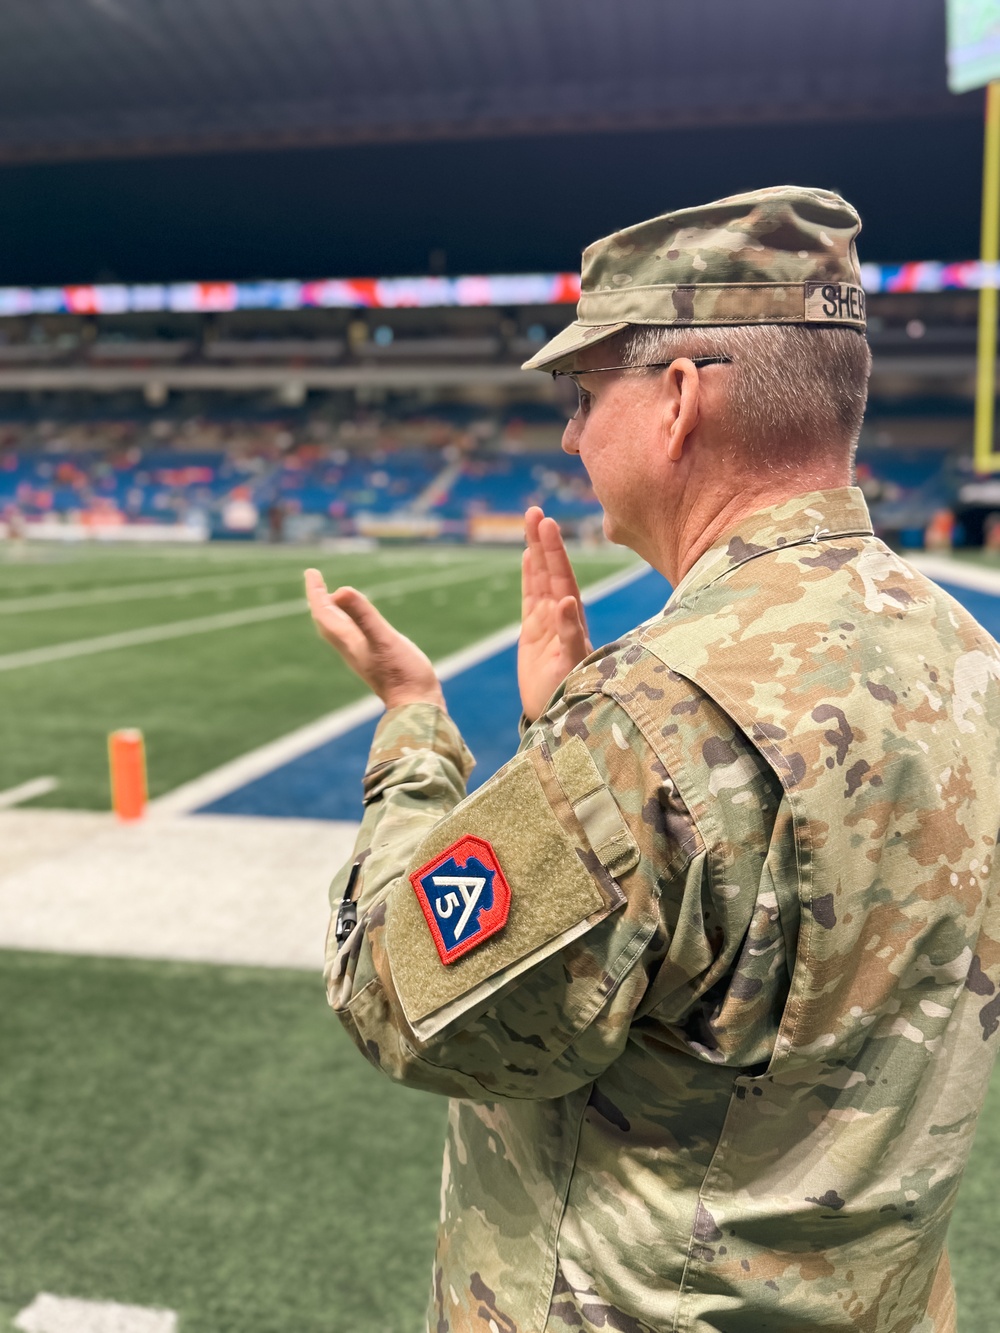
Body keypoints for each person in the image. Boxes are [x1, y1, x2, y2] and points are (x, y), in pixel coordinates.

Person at [304, 186, 1000, 1333]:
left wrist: (414, 722)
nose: (571, 435)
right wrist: (563, 740)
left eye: (584, 393)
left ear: (676, 398)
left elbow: (393, 995)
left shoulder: (654, 715)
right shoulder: (970, 655)